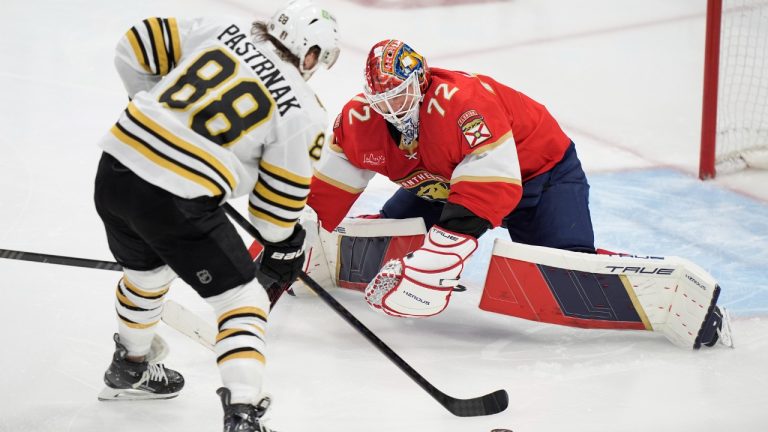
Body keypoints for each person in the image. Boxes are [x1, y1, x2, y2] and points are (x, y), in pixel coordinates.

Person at [93, 1, 339, 430]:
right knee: (241, 299)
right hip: (177, 198)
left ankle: (130, 366)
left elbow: (133, 45)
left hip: (116, 168)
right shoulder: (306, 111)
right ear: (311, 54)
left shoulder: (218, 27)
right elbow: (273, 217)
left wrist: (152, 113)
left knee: (149, 276)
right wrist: (287, 245)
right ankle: (243, 412)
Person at [307, 39, 594, 318]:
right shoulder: (359, 119)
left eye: (400, 94)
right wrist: (294, 238)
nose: (392, 108)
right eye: (383, 101)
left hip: (539, 175)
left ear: (421, 81)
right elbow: (324, 197)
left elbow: (492, 186)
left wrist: (438, 259)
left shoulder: (464, 103)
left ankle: (584, 257)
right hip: (441, 184)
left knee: (565, 273)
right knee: (392, 238)